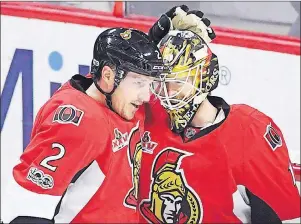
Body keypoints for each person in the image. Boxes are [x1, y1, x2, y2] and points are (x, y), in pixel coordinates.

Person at [137, 16, 301, 223]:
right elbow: (97, 96)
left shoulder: (248, 132)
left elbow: (285, 216)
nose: (167, 92)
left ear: (204, 76)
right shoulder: (143, 111)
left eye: (177, 82)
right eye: (161, 82)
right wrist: (146, 45)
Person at [1, 27, 165, 223]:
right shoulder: (82, 124)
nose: (146, 96)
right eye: (139, 83)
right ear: (108, 76)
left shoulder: (118, 98)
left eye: (149, 84)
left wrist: (153, 41)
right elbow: (27, 203)